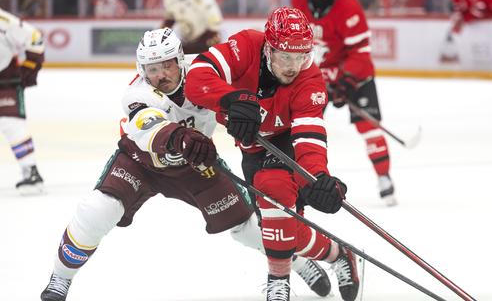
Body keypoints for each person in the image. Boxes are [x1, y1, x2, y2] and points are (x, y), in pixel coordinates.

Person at [39, 28, 332, 301]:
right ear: (142, 70)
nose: (161, 75)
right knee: (99, 209)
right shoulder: (137, 94)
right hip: (140, 162)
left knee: (247, 226)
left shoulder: (204, 73)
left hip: (197, 164)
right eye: (152, 69)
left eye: (167, 65)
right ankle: (60, 278)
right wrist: (179, 136)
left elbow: (248, 81)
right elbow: (147, 126)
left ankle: (296, 260)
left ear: (181, 59)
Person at [185, 7, 361, 301]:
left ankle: (278, 281)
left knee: (273, 190)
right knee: (281, 227)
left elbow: (310, 135)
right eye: (285, 56)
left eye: (301, 56)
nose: (293, 66)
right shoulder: (246, 47)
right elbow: (198, 76)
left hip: (287, 142)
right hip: (254, 149)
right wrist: (231, 98)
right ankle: (337, 253)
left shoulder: (310, 79)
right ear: (268, 46)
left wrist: (317, 177)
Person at [291, 0, 398, 206]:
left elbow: (360, 53)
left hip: (353, 76)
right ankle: (299, 181)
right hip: (315, 76)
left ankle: (384, 177)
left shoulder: (349, 6)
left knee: (368, 126)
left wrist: (346, 80)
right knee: (303, 128)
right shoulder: (298, 0)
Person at [0, 7, 45, 195]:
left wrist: (29, 69)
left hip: (5, 81)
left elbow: (34, 37)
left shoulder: (4, 21)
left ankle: (30, 171)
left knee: (12, 125)